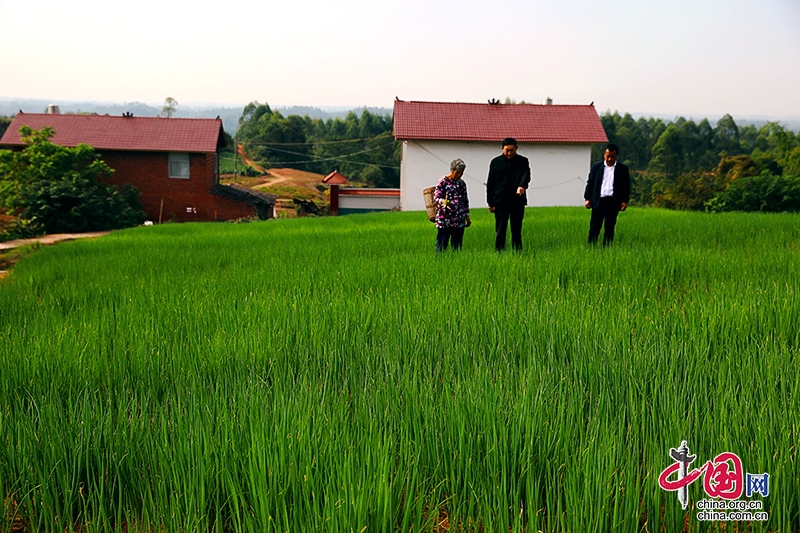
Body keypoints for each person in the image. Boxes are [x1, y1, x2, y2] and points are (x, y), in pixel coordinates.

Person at [486, 137, 530, 251]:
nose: (509, 153)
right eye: (506, 150)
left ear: (516, 148)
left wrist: (522, 186)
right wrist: (490, 202)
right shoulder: (495, 162)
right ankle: (499, 253)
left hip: (517, 200)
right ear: (502, 148)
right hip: (501, 201)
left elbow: (526, 175)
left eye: (512, 150)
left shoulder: (523, 161)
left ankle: (518, 252)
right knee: (500, 229)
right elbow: (490, 183)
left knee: (516, 230)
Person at [584, 143, 631, 246]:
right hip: (598, 201)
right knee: (595, 226)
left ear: (616, 156)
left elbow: (626, 186)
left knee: (610, 227)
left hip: (613, 202)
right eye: (607, 156)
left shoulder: (622, 169)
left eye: (612, 157)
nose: (609, 159)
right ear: (604, 155)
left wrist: (624, 201)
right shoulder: (597, 167)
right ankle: (591, 247)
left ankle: (607, 249)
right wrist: (587, 198)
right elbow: (590, 183)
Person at [434, 159, 471, 251]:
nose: (459, 175)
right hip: (444, 218)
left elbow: (465, 201)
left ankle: (456, 262)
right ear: (452, 170)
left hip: (458, 219)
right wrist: (443, 201)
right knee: (442, 244)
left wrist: (467, 216)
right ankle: (441, 261)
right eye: (457, 172)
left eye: (461, 173)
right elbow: (436, 197)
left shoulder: (461, 183)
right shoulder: (442, 181)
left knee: (457, 246)